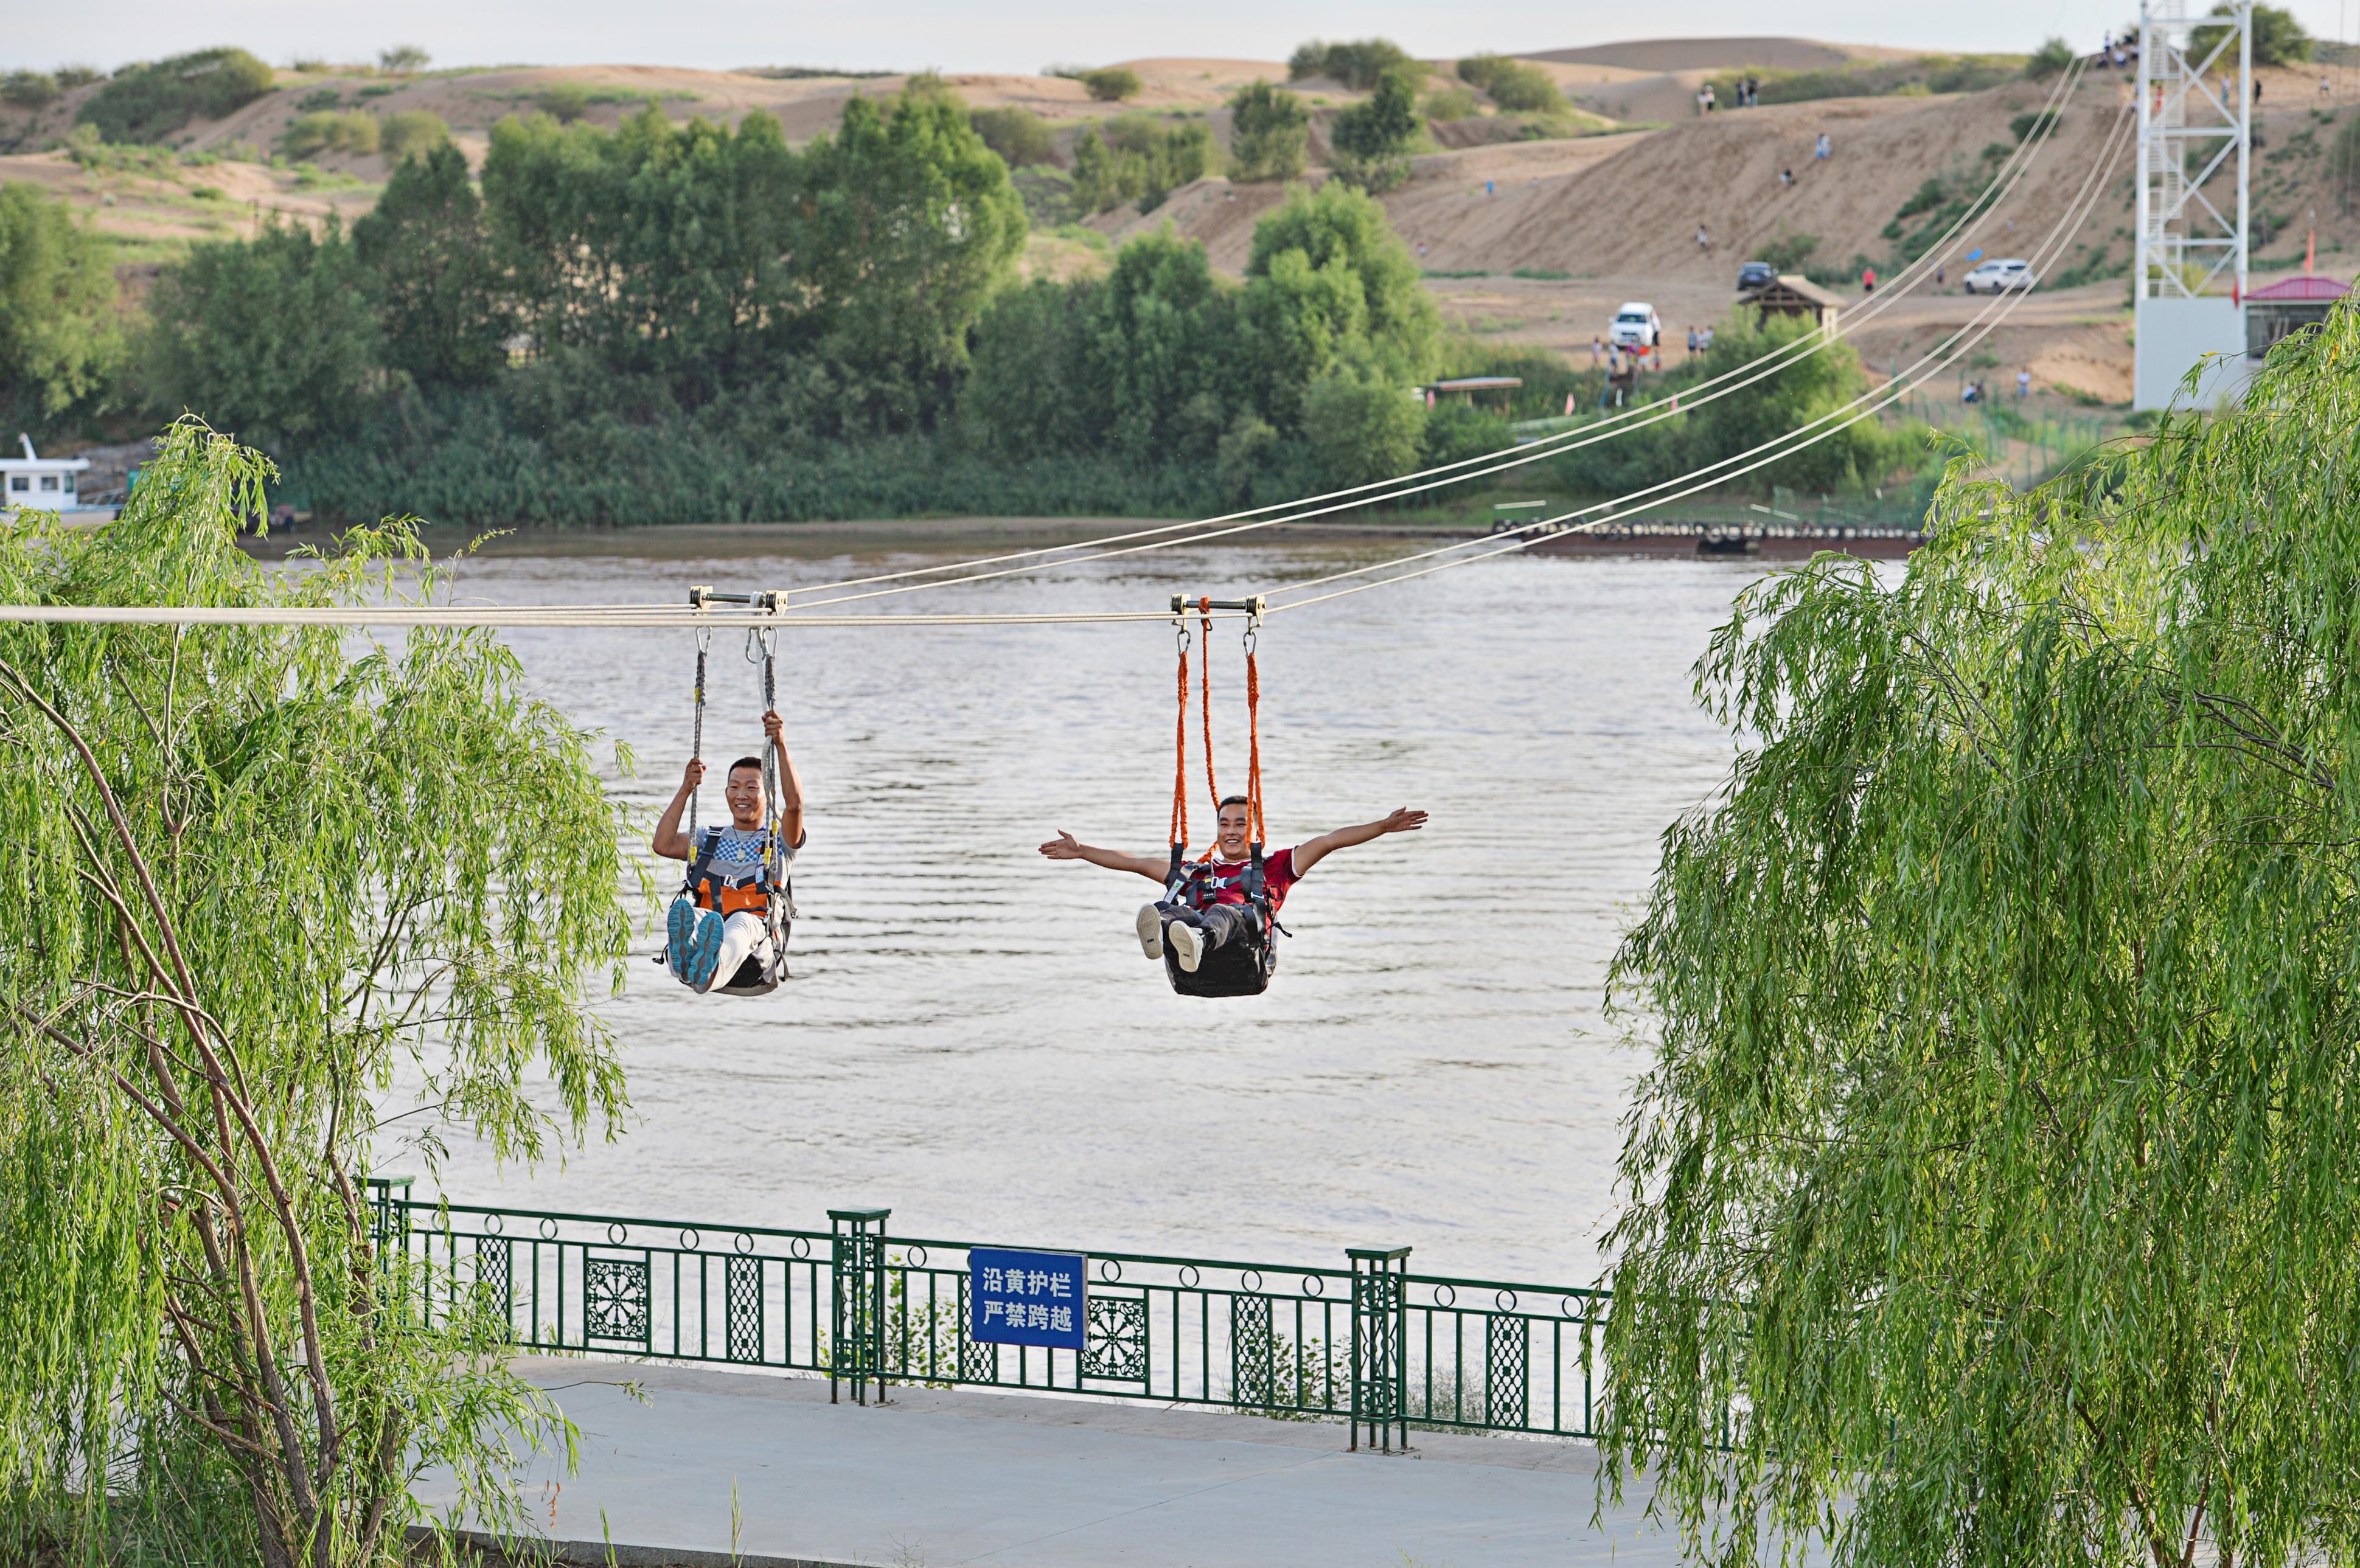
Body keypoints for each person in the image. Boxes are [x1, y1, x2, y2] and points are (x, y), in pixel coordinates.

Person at [1039, 796, 1429, 974]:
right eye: (1225, 823)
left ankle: (1199, 941)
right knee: (1166, 908)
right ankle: (1160, 934)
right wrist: (1081, 851)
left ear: (1253, 829)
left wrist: (1382, 826)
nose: (1231, 831)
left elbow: (1329, 840)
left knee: (1224, 911)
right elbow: (1135, 863)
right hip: (1192, 939)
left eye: (1240, 823)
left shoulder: (1276, 868)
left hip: (1241, 945)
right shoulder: (1195, 873)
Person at [653, 710, 806, 993]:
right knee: (689, 913)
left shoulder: (778, 842)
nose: (742, 795)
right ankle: (687, 961)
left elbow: (795, 805)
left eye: (752, 788)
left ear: (769, 795)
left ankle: (705, 973)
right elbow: (662, 844)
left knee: (740, 922)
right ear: (725, 793)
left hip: (754, 951)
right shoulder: (708, 840)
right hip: (710, 928)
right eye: (734, 787)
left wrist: (781, 744)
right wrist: (687, 788)